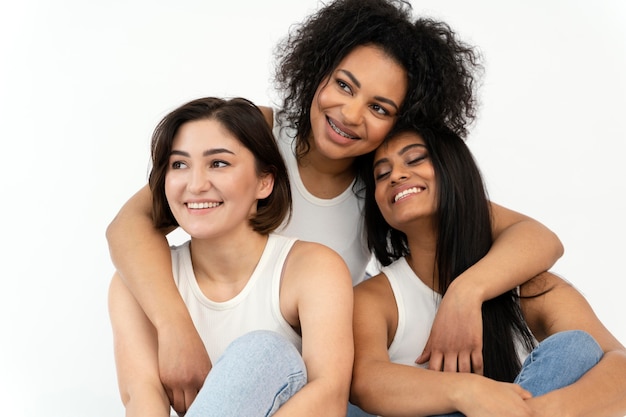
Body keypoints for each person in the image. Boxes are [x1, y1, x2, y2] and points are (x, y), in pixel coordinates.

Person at [106, 0, 564, 412]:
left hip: (316, 384)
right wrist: (174, 328)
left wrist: (467, 291)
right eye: (344, 85)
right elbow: (128, 226)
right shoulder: (254, 135)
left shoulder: (385, 183)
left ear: (399, 124)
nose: (350, 114)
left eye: (380, 108)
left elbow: (537, 237)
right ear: (317, 71)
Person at [350, 124, 626, 417]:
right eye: (382, 174)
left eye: (416, 159)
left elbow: (618, 364)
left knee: (576, 347)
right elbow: (364, 382)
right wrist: (467, 391)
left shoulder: (531, 290)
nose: (396, 175)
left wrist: (540, 412)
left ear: (454, 169)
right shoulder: (374, 298)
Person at [108, 97, 354, 417]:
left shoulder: (313, 269)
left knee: (263, 353)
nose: (195, 185)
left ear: (265, 181)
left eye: (218, 163)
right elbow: (143, 399)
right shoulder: (134, 286)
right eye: (179, 164)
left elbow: (330, 399)